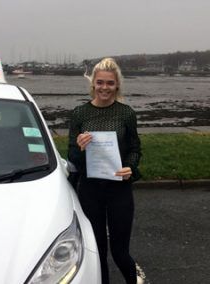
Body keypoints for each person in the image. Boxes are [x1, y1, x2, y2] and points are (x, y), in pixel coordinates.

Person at [67, 58, 145, 284]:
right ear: (93, 84)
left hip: (119, 189)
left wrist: (131, 167)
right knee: (97, 251)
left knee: (120, 252)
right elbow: (72, 156)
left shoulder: (126, 113)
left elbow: (134, 148)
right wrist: (80, 148)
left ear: (117, 85)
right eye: (100, 82)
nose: (104, 88)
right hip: (90, 190)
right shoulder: (80, 114)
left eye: (110, 83)